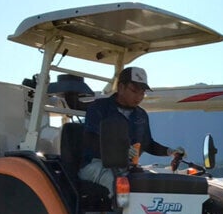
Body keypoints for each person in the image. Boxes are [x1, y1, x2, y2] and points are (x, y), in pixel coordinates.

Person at [78, 66, 184, 196]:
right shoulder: (99, 108)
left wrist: (170, 151)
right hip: (95, 164)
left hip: (125, 168)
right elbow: (91, 140)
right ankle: (117, 209)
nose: (139, 97)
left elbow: (148, 144)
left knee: (148, 184)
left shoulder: (141, 115)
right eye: (134, 91)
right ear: (121, 87)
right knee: (119, 185)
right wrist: (119, 151)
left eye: (142, 93)